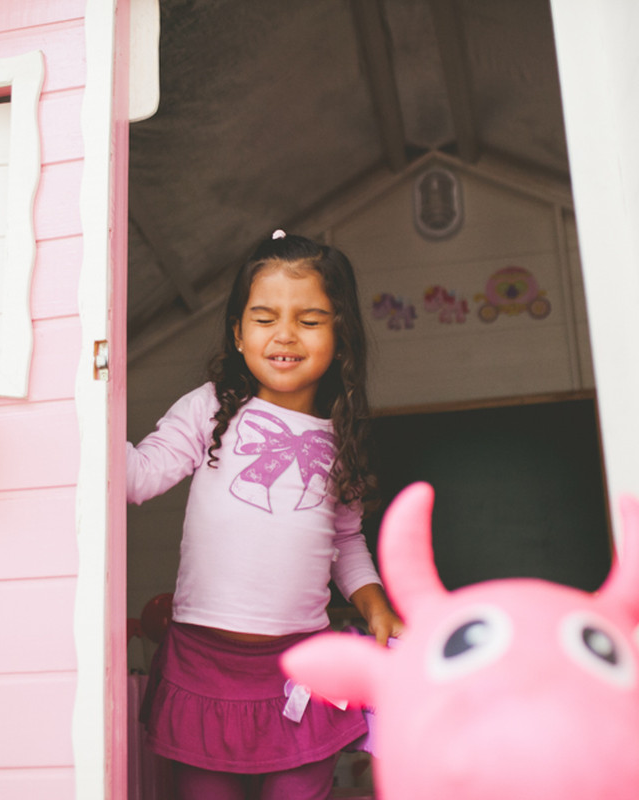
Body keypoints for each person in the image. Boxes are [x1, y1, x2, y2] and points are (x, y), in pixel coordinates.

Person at [128, 230, 404, 799]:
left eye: (309, 319)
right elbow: (135, 479)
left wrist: (375, 603)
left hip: (300, 670)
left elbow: (346, 542)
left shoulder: (342, 435)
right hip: (203, 666)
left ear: (340, 333)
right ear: (237, 333)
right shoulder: (209, 410)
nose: (284, 335)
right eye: (263, 318)